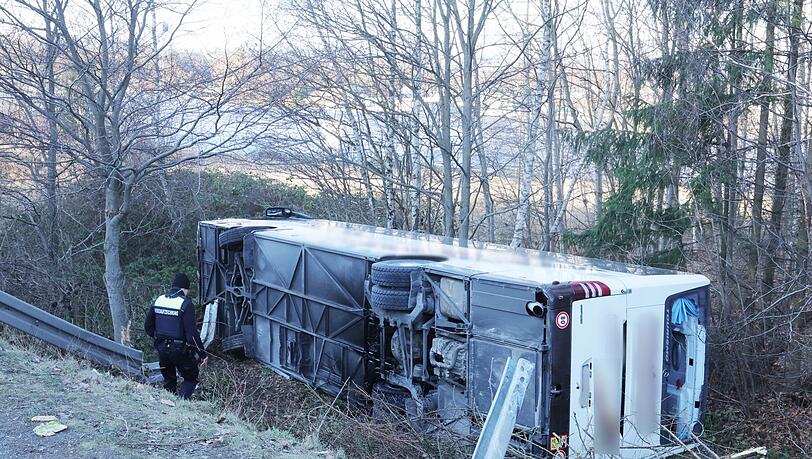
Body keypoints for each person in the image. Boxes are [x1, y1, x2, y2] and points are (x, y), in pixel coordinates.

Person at [144, 272, 208, 399]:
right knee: (191, 377)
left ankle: (169, 406)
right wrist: (202, 354)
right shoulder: (185, 304)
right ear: (184, 289)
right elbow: (192, 335)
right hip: (179, 349)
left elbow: (148, 326)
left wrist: (158, 338)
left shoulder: (159, 300)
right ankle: (182, 404)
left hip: (161, 348)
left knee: (169, 379)